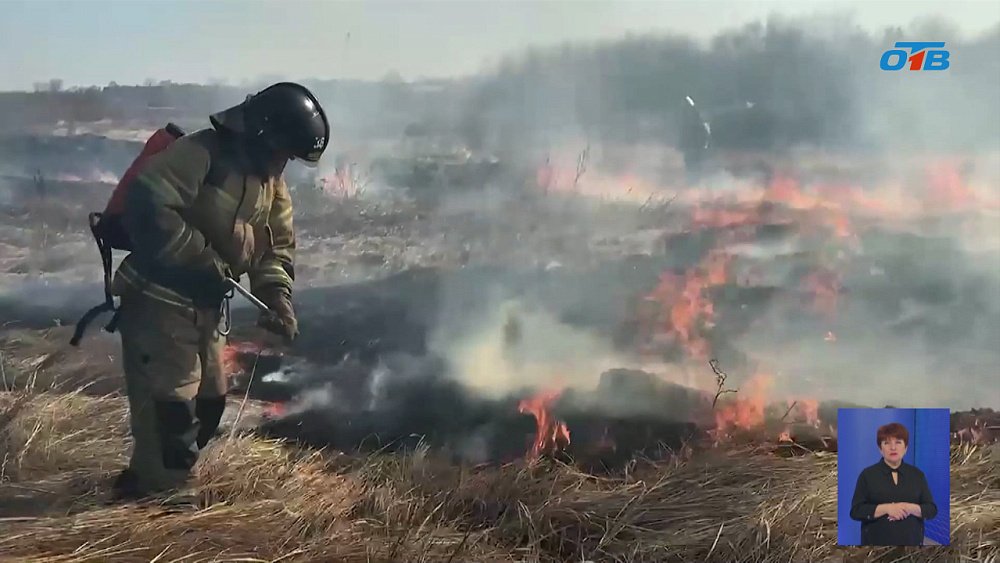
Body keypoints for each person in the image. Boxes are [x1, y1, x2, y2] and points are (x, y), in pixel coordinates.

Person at [109, 82, 330, 500]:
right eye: (283, 152)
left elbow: (275, 246)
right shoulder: (198, 155)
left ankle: (148, 476)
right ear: (263, 134)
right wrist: (200, 257)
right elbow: (149, 205)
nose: (284, 163)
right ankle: (166, 501)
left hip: (207, 307)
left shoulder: (270, 184)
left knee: (209, 403)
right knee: (172, 407)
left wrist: (277, 297)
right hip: (158, 301)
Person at [849, 422, 938, 546]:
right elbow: (856, 511)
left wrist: (908, 507)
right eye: (887, 443)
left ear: (906, 447)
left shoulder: (917, 475)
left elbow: (931, 509)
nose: (893, 447)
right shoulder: (867, 475)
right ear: (880, 449)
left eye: (898, 442)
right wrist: (887, 508)